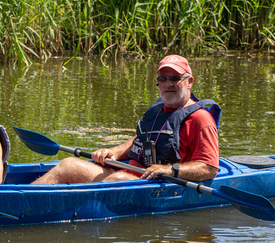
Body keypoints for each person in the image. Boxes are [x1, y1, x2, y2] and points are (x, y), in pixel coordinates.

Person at [32, 55, 220, 184]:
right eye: (163, 78)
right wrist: (112, 152)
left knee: (83, 170)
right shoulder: (158, 111)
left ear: (189, 82)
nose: (168, 83)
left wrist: (171, 170)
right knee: (71, 166)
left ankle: (28, 206)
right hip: (131, 175)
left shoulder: (200, 119)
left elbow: (209, 168)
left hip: (152, 184)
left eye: (175, 78)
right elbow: (143, 140)